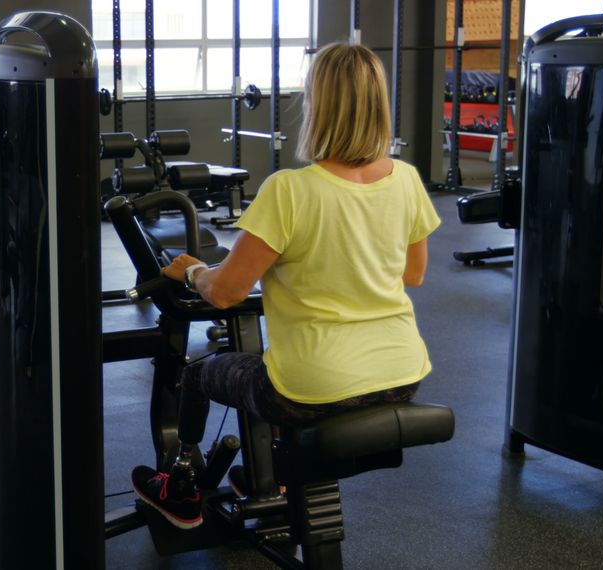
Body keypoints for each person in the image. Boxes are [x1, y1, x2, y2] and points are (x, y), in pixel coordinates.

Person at [131, 42, 442, 530]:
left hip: (315, 386)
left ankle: (183, 486)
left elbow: (227, 292)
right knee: (268, 368)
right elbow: (413, 273)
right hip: (403, 374)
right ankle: (269, 477)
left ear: (319, 106)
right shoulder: (405, 179)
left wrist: (192, 270)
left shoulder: (290, 190)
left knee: (202, 374)